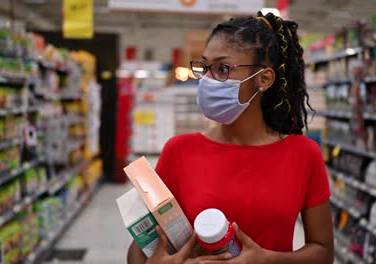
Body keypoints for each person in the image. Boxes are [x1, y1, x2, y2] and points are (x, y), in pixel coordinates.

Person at [127, 12, 333, 264]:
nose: (208, 80)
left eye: (222, 69)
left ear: (264, 78)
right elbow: (140, 253)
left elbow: (323, 252)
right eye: (205, 67)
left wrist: (267, 260)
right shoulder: (179, 151)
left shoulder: (303, 154)